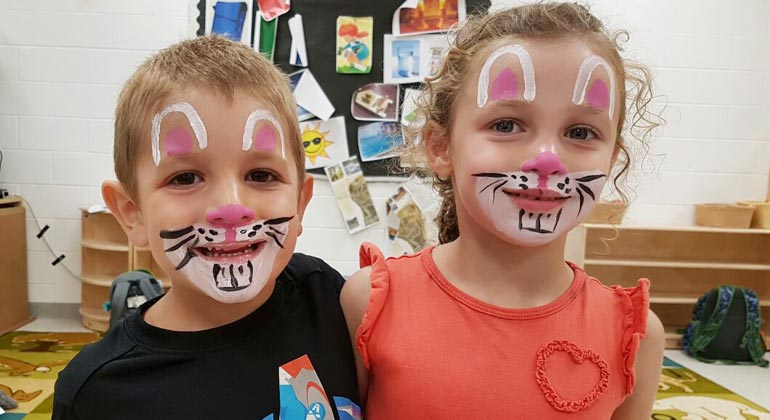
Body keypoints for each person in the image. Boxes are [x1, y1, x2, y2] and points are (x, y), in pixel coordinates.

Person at [341, 3, 665, 419]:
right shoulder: (369, 302)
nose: (547, 159)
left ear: (612, 159)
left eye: (581, 132)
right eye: (506, 125)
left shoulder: (634, 337)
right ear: (440, 147)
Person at [53, 36, 360, 420]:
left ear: (300, 203)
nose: (231, 209)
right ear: (133, 214)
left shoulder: (327, 298)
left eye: (261, 174)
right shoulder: (98, 393)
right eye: (185, 178)